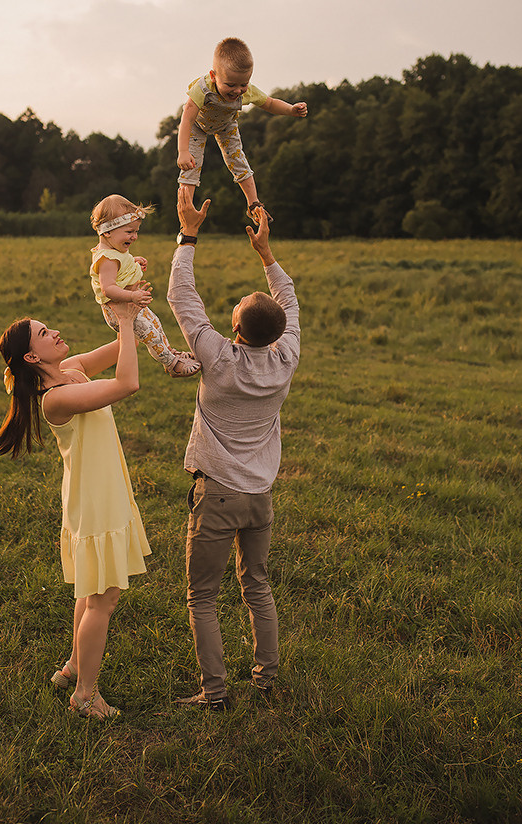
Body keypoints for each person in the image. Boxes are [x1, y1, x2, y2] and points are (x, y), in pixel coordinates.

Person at [0, 300, 151, 720]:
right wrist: (129, 325)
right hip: (95, 501)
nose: (54, 332)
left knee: (89, 590)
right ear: (31, 357)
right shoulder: (56, 398)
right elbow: (127, 383)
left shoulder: (71, 370)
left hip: (98, 493)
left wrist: (127, 302)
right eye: (44, 333)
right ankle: (85, 695)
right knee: (103, 599)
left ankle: (73, 667)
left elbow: (119, 347)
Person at [167, 187, 300, 710]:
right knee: (257, 585)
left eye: (239, 304)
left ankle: (215, 693)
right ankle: (265, 681)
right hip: (260, 497)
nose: (234, 302)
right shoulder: (285, 357)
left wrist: (189, 233)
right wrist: (266, 254)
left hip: (217, 496)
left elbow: (182, 297)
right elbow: (288, 302)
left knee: (203, 595)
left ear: (238, 330)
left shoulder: (219, 360)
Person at [177, 37, 308, 223]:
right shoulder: (203, 88)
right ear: (213, 76)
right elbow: (187, 118)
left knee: (238, 160)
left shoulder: (247, 91)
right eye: (230, 85)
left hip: (226, 125)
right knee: (191, 165)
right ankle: (186, 212)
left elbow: (269, 103)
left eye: (243, 84)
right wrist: (183, 151)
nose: (238, 90)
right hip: (196, 126)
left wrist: (291, 109)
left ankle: (253, 204)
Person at [90, 194, 201, 379]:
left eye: (136, 231)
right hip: (120, 311)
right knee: (150, 335)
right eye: (129, 232)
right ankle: (173, 365)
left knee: (156, 325)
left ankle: (170, 354)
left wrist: (132, 261)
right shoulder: (107, 259)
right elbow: (107, 288)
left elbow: (120, 266)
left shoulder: (114, 251)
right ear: (107, 232)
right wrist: (132, 297)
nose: (134, 237)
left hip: (131, 306)